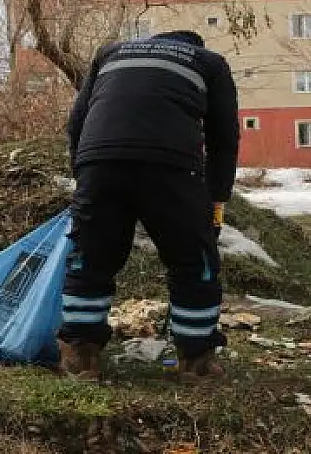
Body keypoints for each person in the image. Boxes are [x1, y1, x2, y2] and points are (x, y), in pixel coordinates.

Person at [59, 29, 240, 381]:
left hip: (100, 163)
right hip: (171, 166)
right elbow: (224, 137)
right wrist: (216, 197)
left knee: (90, 257)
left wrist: (83, 172)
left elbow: (77, 121)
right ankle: (197, 361)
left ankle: (80, 356)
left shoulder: (110, 52)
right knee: (193, 260)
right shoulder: (210, 62)